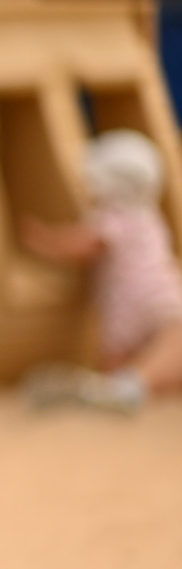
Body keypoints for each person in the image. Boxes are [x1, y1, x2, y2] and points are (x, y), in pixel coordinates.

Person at [21, 129, 182, 412]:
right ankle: (132, 387)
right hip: (166, 292)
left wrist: (45, 241)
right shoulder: (150, 217)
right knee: (171, 342)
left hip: (129, 302)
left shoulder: (112, 216)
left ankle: (118, 387)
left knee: (116, 356)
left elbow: (84, 245)